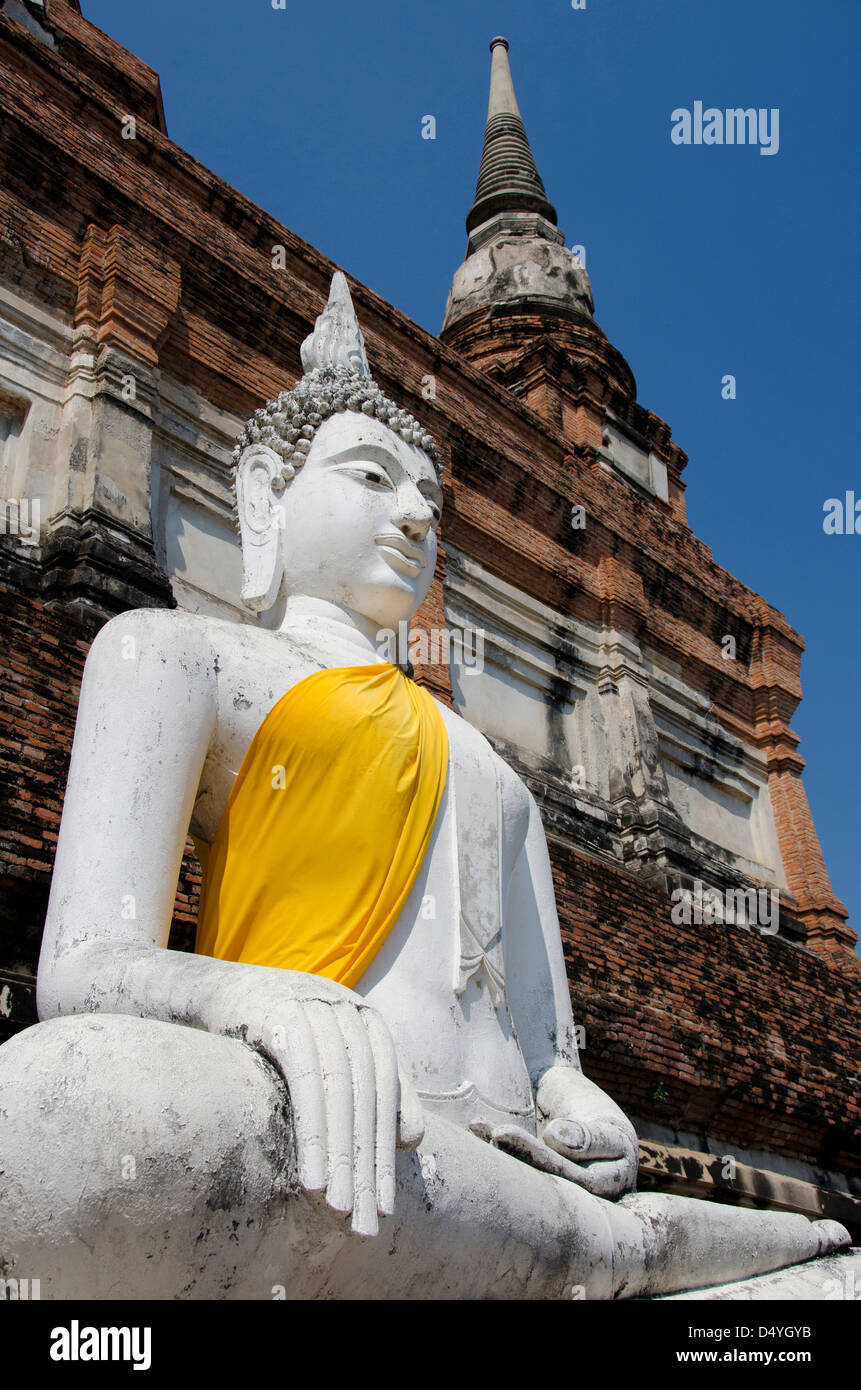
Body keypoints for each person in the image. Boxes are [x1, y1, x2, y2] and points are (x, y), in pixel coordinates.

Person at [0, 274, 847, 1299]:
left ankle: (620, 1243)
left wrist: (578, 1099)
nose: (411, 516)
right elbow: (86, 965)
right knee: (59, 1112)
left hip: (486, 1164)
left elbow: (547, 1052)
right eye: (369, 478)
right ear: (266, 492)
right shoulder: (171, 656)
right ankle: (629, 1251)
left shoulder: (498, 778)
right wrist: (252, 997)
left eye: (427, 499)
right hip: (319, 1122)